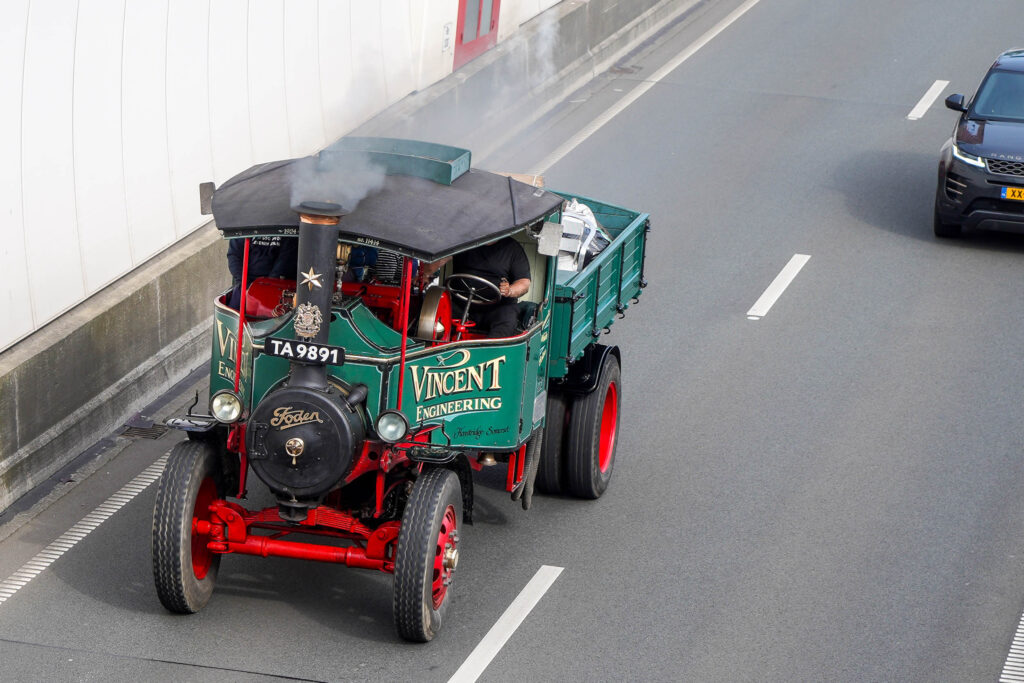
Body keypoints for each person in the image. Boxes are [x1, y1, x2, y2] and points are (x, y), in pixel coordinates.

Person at [418, 237, 530, 338]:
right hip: (460, 303)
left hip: (497, 307)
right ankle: (437, 350)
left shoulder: (512, 248)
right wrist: (426, 272)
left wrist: (510, 290)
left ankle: (491, 356)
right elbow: (435, 263)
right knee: (431, 313)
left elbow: (524, 282)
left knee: (507, 319)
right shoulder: (464, 241)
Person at [226, 236, 298, 309]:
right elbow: (234, 257)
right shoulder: (242, 228)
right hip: (245, 284)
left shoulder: (288, 233)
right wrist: (245, 285)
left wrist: (265, 287)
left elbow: (285, 260)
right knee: (233, 312)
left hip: (276, 284)